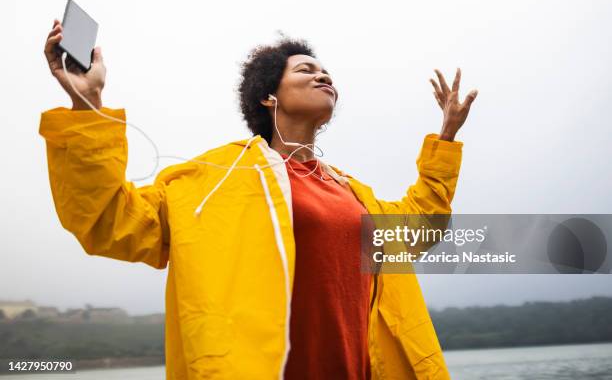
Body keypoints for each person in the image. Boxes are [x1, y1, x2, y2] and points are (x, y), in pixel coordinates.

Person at [40, 19, 478, 380]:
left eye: (326, 72)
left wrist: (446, 137)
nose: (323, 75)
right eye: (305, 70)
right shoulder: (216, 178)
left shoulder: (351, 193)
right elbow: (110, 221)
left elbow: (421, 226)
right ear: (269, 96)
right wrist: (88, 103)